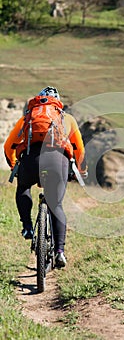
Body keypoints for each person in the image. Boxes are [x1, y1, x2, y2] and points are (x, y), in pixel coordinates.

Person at [4, 86, 87, 268]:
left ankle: (26, 226)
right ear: (58, 104)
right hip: (57, 162)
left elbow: (8, 145)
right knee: (55, 205)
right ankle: (59, 252)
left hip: (30, 161)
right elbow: (79, 149)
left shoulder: (27, 118)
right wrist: (80, 170)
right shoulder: (67, 119)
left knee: (23, 188)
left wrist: (13, 166)